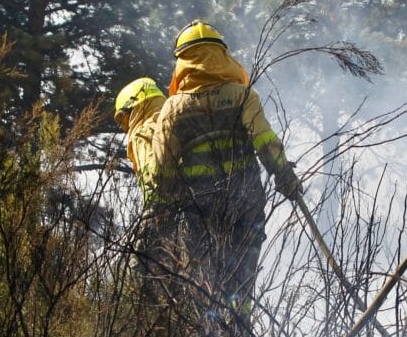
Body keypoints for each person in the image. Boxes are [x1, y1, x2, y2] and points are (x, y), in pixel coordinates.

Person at [148, 20, 302, 321]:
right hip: (246, 204)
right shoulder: (242, 95)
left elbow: (163, 168)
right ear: (221, 53)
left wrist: (161, 209)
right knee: (243, 276)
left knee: (204, 279)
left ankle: (210, 334)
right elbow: (265, 140)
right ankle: (240, 328)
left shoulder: (172, 109)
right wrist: (285, 176)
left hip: (199, 210)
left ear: (182, 62)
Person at [113, 77, 177, 289]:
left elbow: (153, 174)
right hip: (188, 205)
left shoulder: (142, 131)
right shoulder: (173, 120)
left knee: (138, 269)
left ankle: (138, 305)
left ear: (137, 106)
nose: (125, 124)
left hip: (158, 208)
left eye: (125, 115)